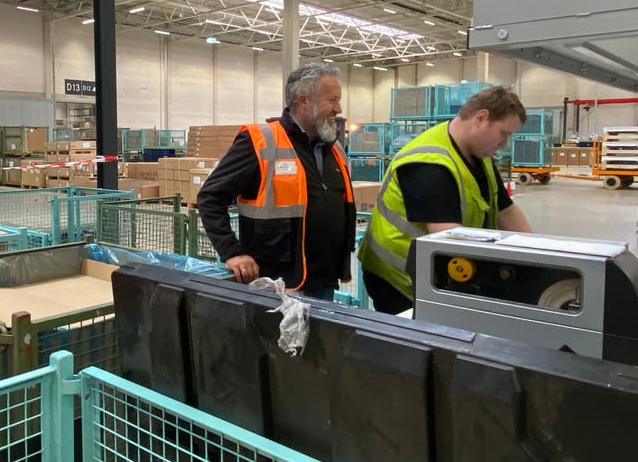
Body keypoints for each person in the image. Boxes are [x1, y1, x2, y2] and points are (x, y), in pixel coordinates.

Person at [359, 85, 533, 314]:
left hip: (436, 272)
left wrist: (536, 256)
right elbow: (448, 237)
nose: (505, 143)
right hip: (400, 280)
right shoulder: (429, 162)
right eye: (504, 133)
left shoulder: (480, 155)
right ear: (481, 118)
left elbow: (506, 210)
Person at [196, 62, 356, 301]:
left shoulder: (334, 150)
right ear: (304, 101)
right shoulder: (260, 141)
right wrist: (232, 252)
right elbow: (210, 196)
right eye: (332, 100)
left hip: (324, 280)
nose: (338, 108)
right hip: (277, 285)